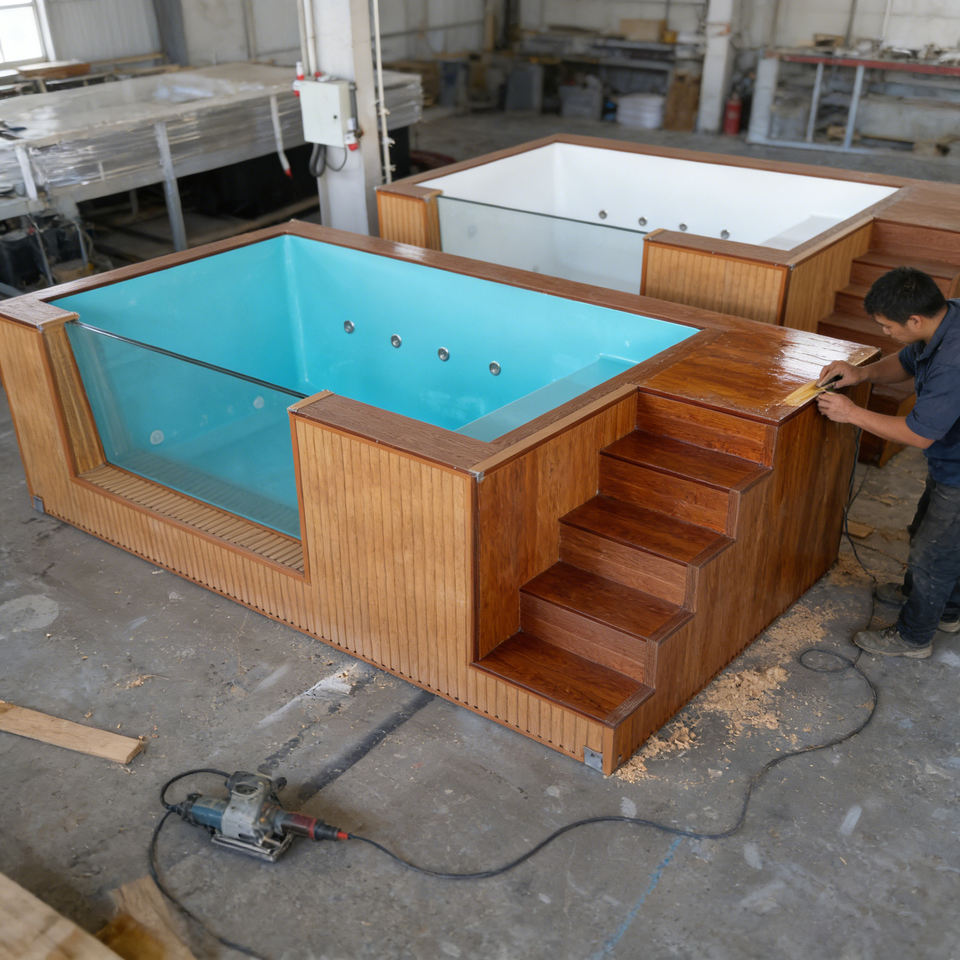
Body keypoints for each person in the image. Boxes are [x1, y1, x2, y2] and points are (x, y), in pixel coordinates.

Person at [817, 266, 960, 659]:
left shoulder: (953, 359)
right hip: (950, 455)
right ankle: (946, 610)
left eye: (887, 326)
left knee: (934, 552)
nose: (884, 333)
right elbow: (907, 361)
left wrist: (850, 413)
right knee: (932, 531)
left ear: (914, 319)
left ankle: (914, 638)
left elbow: (918, 434)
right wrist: (861, 374)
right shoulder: (945, 316)